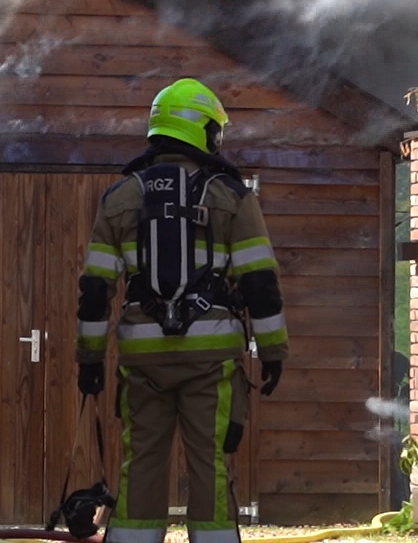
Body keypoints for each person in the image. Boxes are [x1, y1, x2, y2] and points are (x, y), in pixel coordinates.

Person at [74, 78, 288, 543]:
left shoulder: (119, 197)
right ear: (202, 131)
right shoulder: (231, 197)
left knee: (141, 465)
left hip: (141, 360)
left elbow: (95, 290)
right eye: (215, 130)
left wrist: (89, 360)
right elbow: (260, 284)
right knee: (209, 463)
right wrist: (273, 352)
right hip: (211, 361)